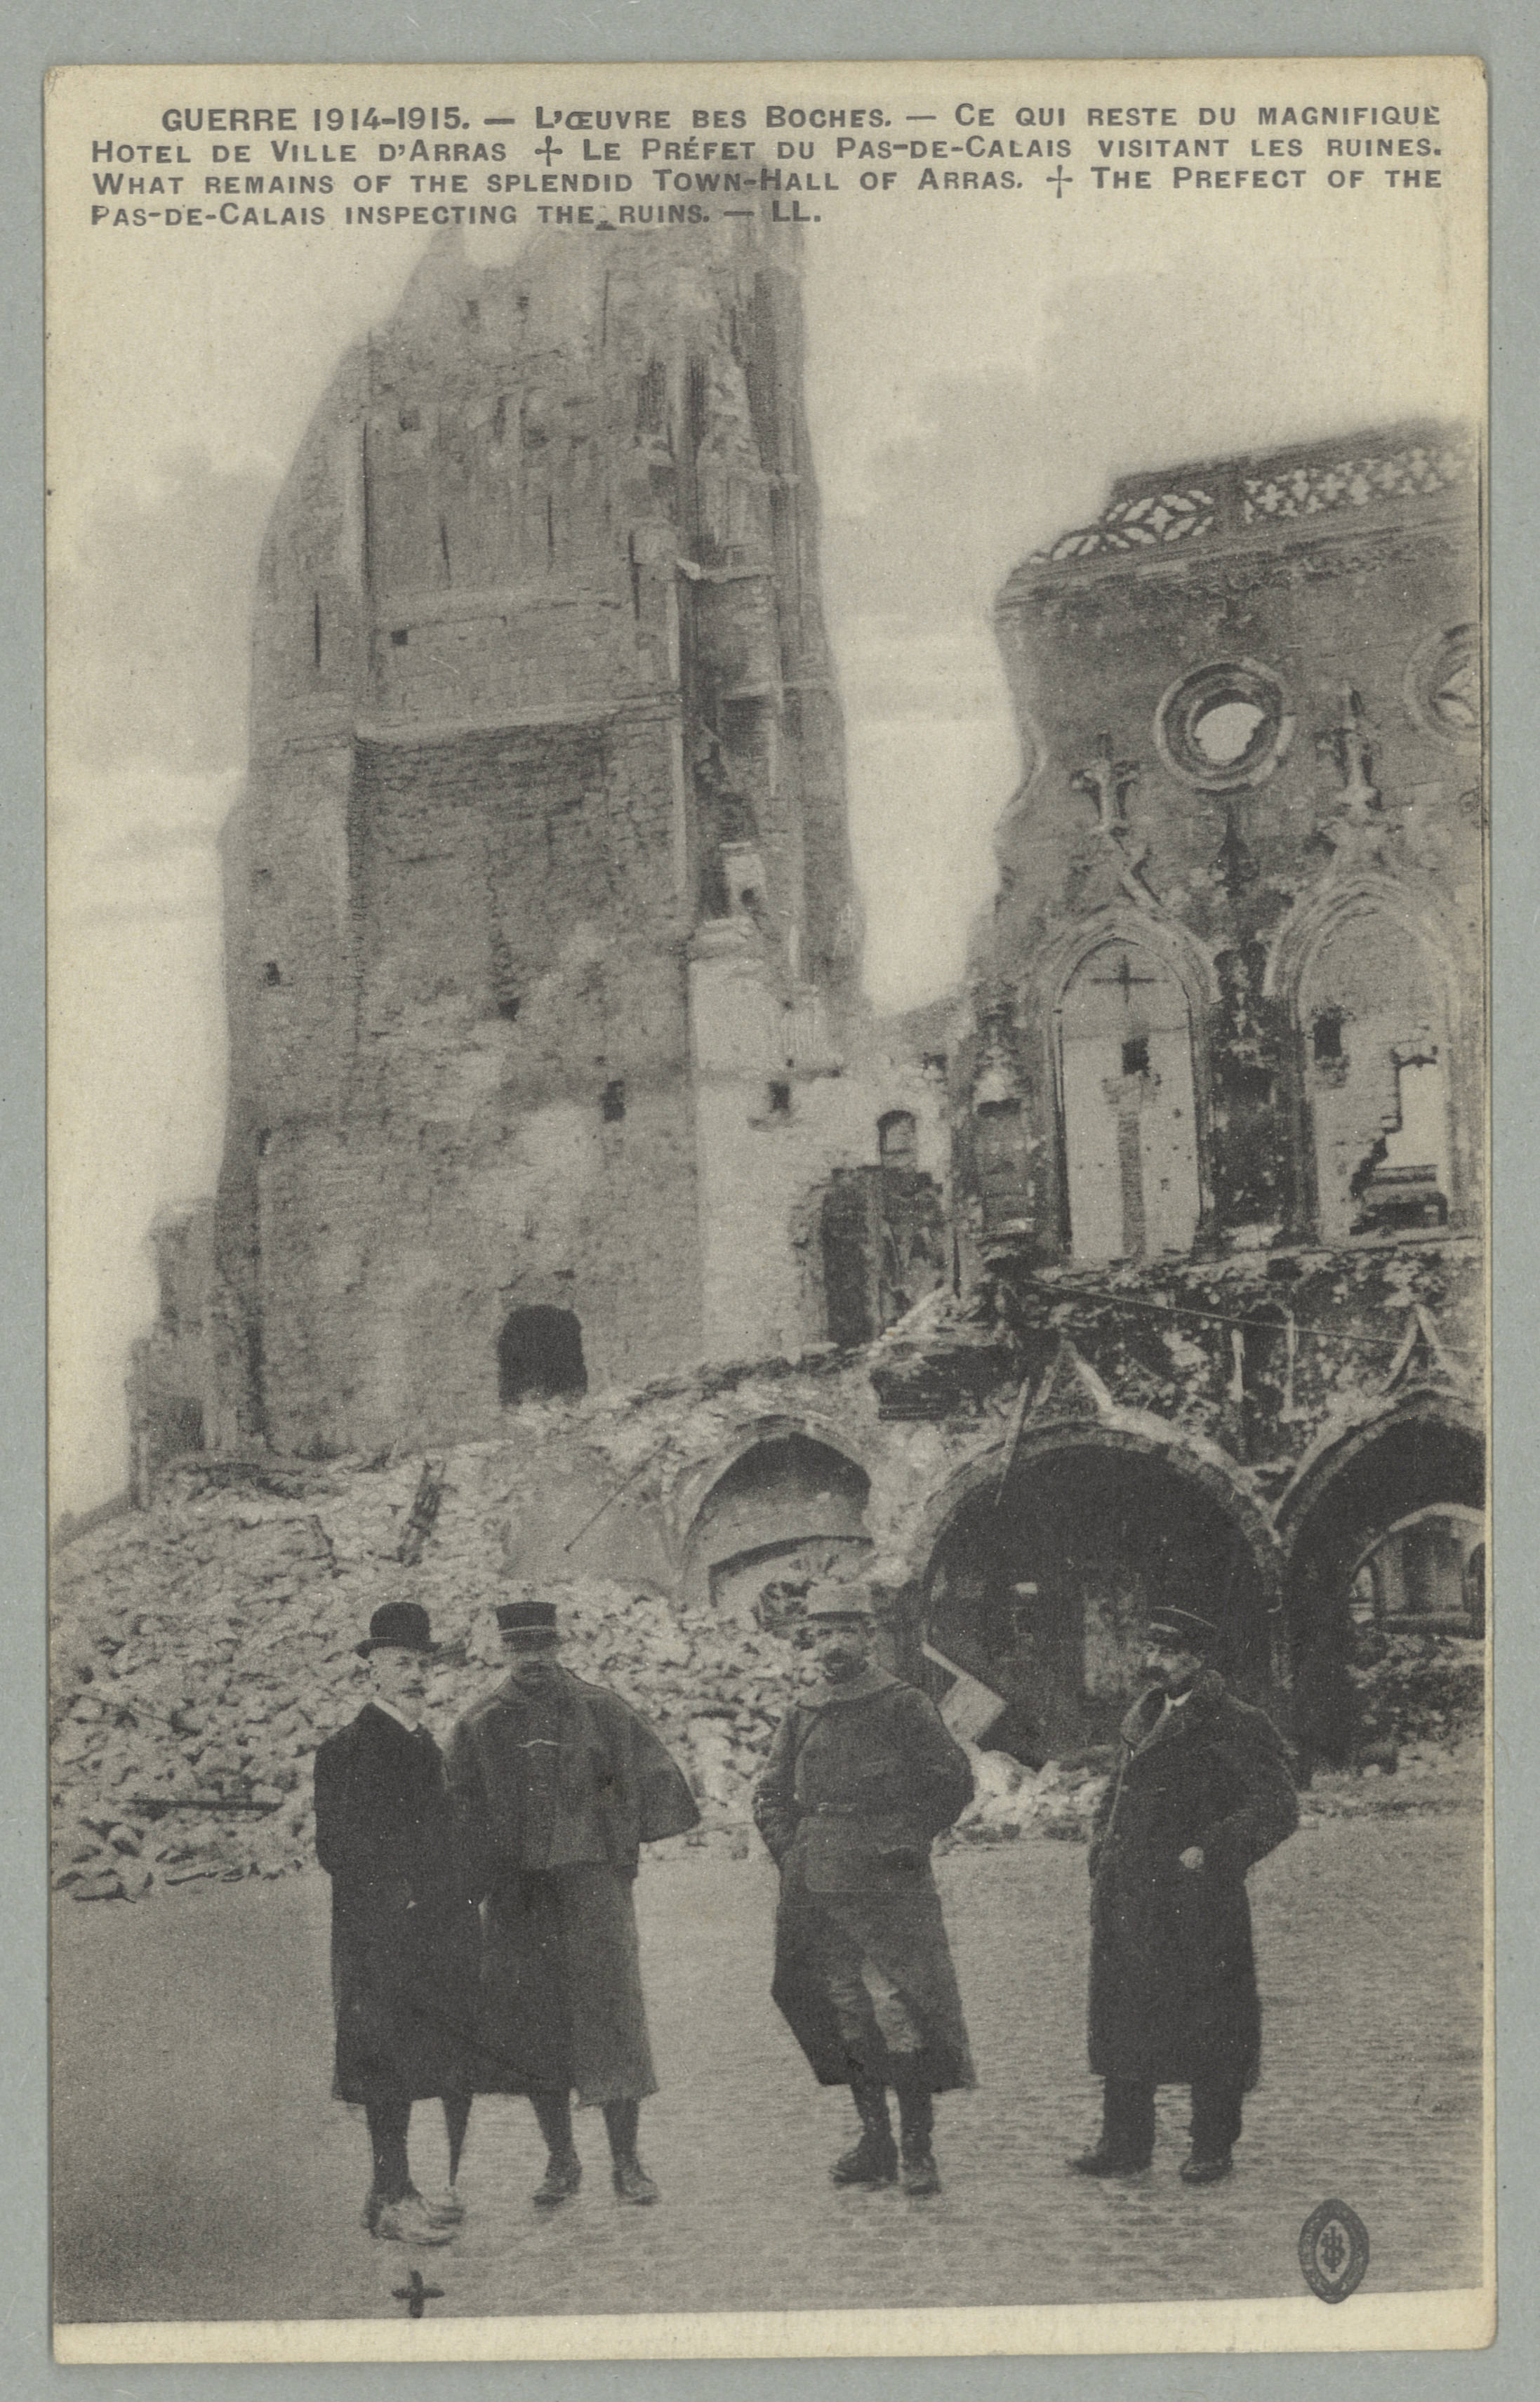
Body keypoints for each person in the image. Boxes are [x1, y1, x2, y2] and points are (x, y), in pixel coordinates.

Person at [446, 1593, 700, 2205]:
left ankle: (626, 2163)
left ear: (559, 1646)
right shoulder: (480, 1725)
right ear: (503, 1651)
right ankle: (561, 2162)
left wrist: (616, 1846)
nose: (531, 1658)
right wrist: (478, 1869)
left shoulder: (602, 1712)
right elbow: (455, 1810)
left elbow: (658, 1783)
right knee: (536, 2025)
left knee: (612, 2019)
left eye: (541, 1645)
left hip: (592, 1890)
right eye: (518, 1647)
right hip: (517, 1899)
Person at [752, 1586, 975, 2197]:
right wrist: (792, 1849)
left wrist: (907, 1838)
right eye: (822, 1633)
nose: (832, 1645)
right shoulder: (804, 1709)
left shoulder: (902, 1704)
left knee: (899, 2009)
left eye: (845, 1631)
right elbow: (770, 1793)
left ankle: (918, 2148)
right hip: (817, 1886)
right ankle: (874, 2141)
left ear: (869, 1636)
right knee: (845, 2012)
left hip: (885, 1884)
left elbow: (951, 1782)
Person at [1070, 1603, 1299, 2185]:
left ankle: (1212, 2145)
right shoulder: (1144, 1714)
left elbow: (1276, 1808)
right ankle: (1125, 2143)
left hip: (1196, 1899)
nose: (1154, 1663)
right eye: (1149, 1650)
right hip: (1130, 1897)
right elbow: (1120, 1791)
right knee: (1125, 2017)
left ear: (1198, 1659)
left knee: (1211, 2020)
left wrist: (1213, 1849)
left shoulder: (1235, 1719)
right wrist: (1101, 1844)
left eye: (1168, 1653)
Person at [313, 1600, 481, 2245]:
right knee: (385, 2064)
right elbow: (337, 1848)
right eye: (401, 1664)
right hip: (379, 1938)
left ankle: (389, 2192)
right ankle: (393, 2198)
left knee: (410, 2060)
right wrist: (405, 1897)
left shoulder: (421, 1743)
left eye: (421, 1664)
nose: (415, 1675)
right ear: (372, 1673)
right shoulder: (349, 1749)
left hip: (424, 1933)